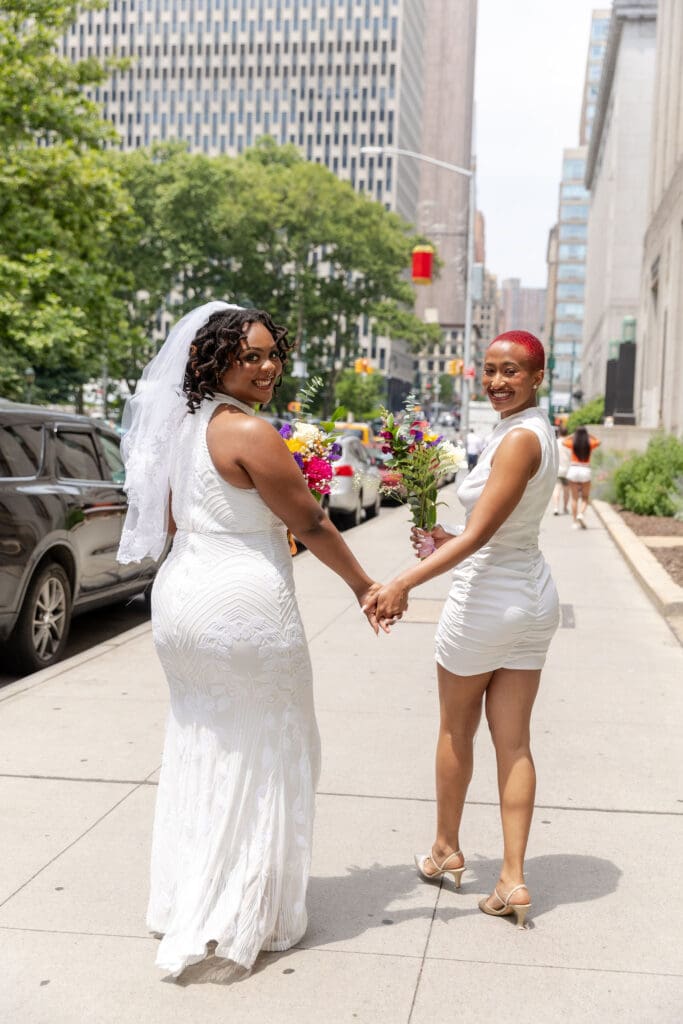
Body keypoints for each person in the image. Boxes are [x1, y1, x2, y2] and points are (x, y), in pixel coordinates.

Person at [117, 302, 382, 978]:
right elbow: (315, 524)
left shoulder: (184, 428)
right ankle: (240, 908)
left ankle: (186, 893)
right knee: (266, 744)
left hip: (182, 597)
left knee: (204, 738)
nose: (266, 367)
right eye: (249, 356)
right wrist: (364, 586)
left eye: (271, 354)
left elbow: (176, 517)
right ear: (215, 361)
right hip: (241, 600)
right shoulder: (249, 432)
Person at [365, 330, 560, 929]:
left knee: (456, 729)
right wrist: (449, 541)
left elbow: (479, 537)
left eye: (512, 372)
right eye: (490, 370)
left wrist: (403, 582)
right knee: (515, 742)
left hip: (485, 603)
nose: (498, 381)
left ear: (537, 377)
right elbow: (489, 530)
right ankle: (513, 880)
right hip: (529, 598)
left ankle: (447, 850)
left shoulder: (519, 439)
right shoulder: (533, 434)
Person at [563, 426, 600, 529]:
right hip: (585, 470)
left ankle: (574, 522)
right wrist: (589, 435)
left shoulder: (573, 443)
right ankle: (581, 513)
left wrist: (572, 435)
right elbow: (598, 441)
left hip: (573, 469)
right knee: (585, 497)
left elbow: (564, 442)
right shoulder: (589, 444)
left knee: (574, 498)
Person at [553, 424, 571, 515]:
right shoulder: (569, 443)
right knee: (566, 490)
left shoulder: (555, 442)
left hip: (557, 470)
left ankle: (556, 508)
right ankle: (565, 508)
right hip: (567, 470)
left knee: (557, 489)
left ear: (559, 432)